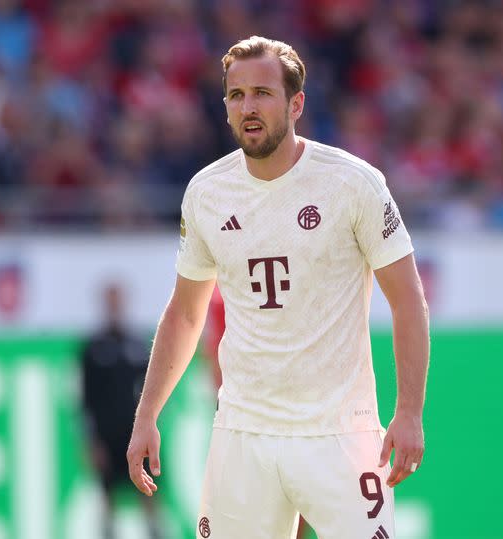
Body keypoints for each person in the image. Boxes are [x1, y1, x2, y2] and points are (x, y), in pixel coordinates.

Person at [127, 36, 430, 539]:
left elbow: (407, 300)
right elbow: (184, 313)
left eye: (263, 93)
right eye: (236, 95)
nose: (249, 107)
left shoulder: (353, 184)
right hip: (245, 433)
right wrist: (147, 415)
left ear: (296, 103)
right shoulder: (207, 193)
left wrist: (410, 412)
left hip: (340, 433)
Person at [80, 283, 160, 539]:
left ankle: (154, 531)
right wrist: (91, 441)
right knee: (107, 493)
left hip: (134, 431)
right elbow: (84, 399)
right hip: (106, 434)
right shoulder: (92, 350)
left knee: (148, 489)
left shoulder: (137, 345)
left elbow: (152, 389)